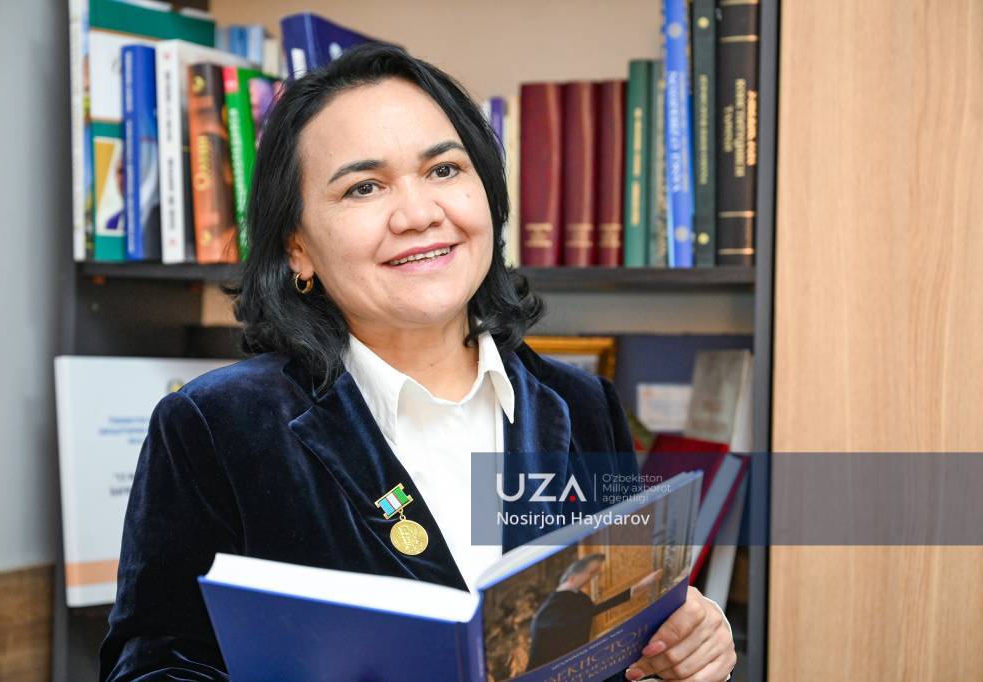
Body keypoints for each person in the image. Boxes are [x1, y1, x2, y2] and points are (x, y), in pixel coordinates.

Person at [98, 42, 736, 682]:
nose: (419, 214)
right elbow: (153, 669)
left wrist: (676, 652)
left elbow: (613, 648)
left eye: (444, 170)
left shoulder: (583, 406)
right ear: (297, 248)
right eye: (364, 187)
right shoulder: (217, 425)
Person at [527, 556, 662, 670]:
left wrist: (636, 589)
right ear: (573, 577)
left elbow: (589, 613)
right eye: (592, 572)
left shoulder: (579, 598)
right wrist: (636, 589)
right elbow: (587, 614)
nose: (594, 577)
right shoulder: (551, 608)